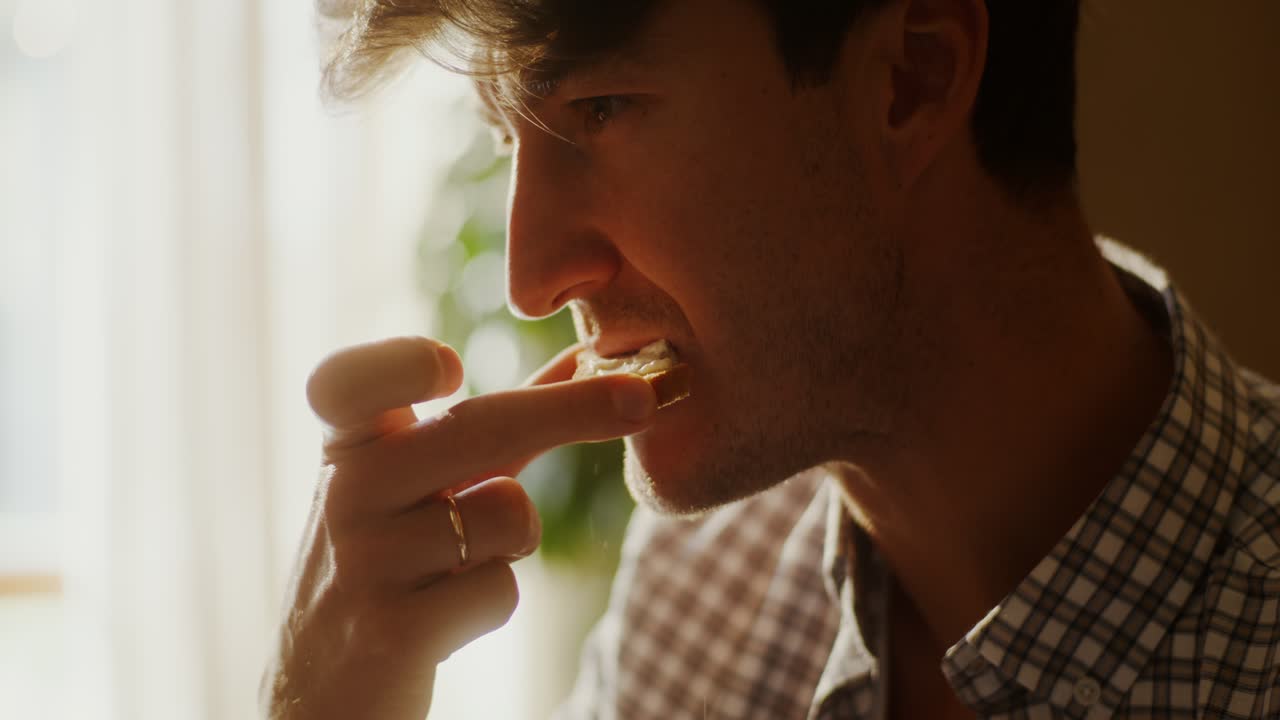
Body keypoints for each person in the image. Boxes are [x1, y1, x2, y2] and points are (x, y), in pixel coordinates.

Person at [262, 0, 1280, 718]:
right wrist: (333, 703)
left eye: (600, 111)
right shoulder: (703, 588)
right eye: (504, 142)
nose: (531, 279)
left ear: (910, 80)